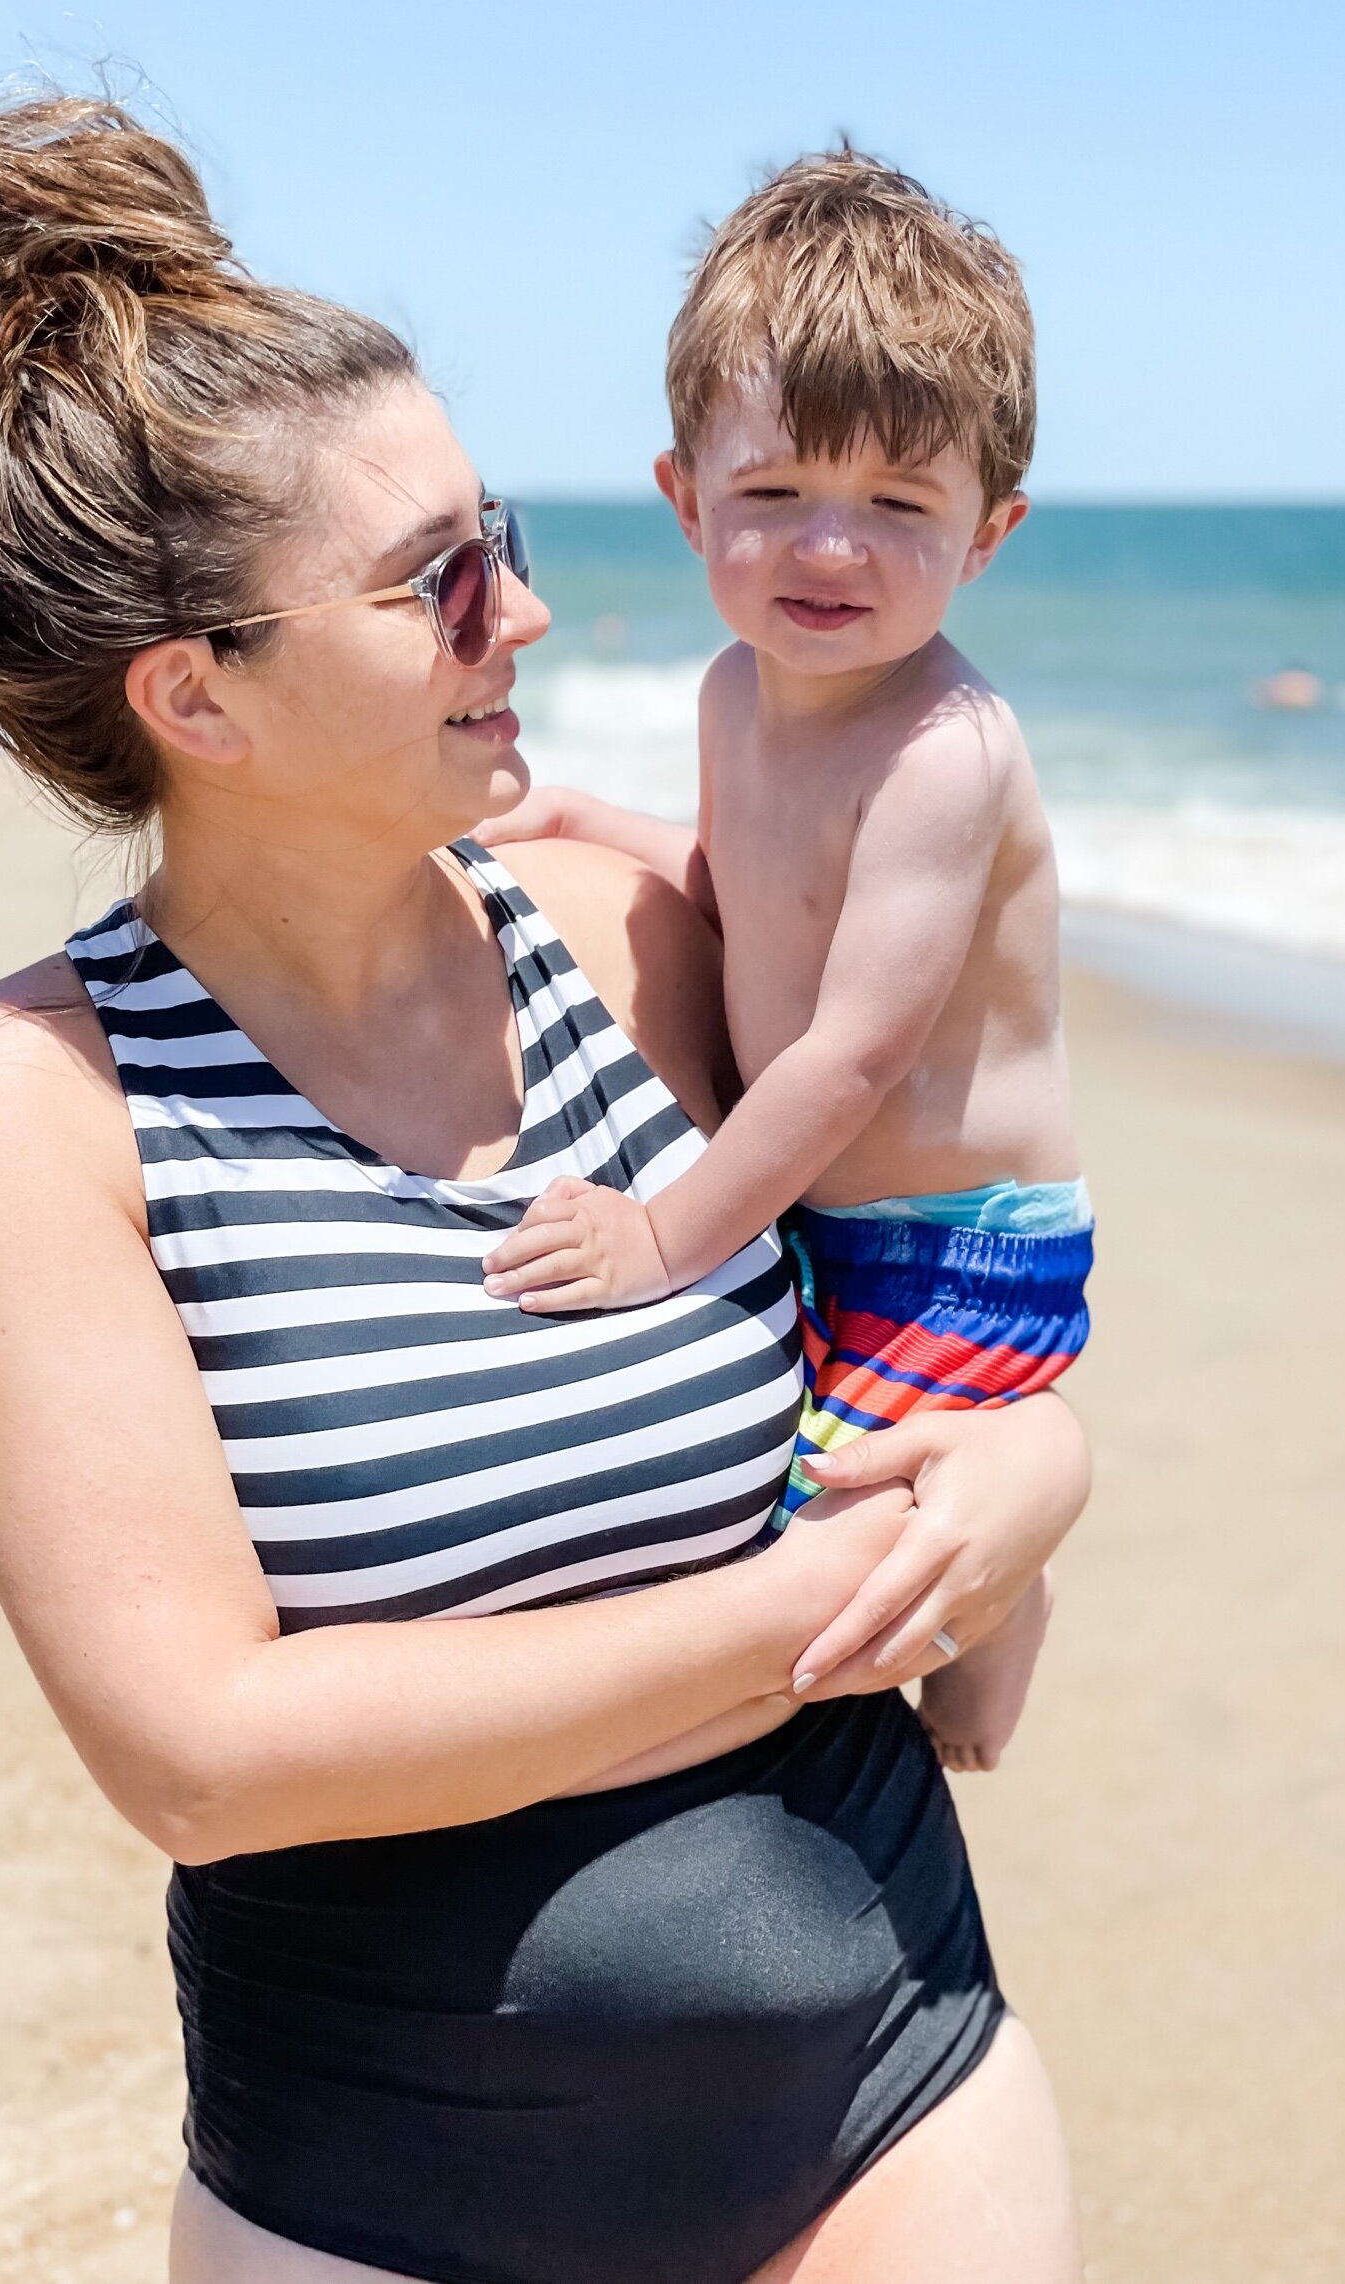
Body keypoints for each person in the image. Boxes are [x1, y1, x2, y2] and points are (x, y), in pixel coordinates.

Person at [0, 95, 1091, 2282]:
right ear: (197, 691)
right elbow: (209, 1755)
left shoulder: (630, 918)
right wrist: (822, 1615)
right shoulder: (30, 1098)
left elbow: (935, 1221)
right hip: (392, 2197)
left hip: (901, 2094)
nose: (535, 604)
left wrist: (1037, 1461)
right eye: (439, 578)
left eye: (498, 527)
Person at [483, 152, 1091, 1775]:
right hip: (816, 1195)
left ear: (989, 534)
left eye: (900, 506)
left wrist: (659, 1241)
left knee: (868, 1575)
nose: (831, 549)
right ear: (688, 500)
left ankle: (1012, 1611)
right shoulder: (732, 695)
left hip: (961, 1237)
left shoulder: (943, 755)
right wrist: (573, 813)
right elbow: (741, 888)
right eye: (775, 497)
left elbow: (849, 1055)